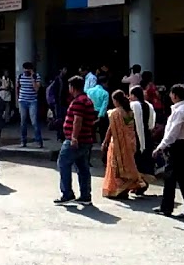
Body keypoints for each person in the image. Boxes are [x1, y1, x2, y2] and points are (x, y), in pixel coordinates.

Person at [152, 84, 184, 218]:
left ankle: (168, 207)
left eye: (171, 94)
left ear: (175, 95)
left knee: (171, 178)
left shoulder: (180, 111)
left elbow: (173, 133)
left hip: (177, 147)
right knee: (183, 179)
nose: (169, 96)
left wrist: (160, 146)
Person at [55, 76, 96, 205]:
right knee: (83, 167)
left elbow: (77, 120)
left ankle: (67, 193)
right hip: (86, 139)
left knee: (63, 163)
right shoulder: (87, 100)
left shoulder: (78, 101)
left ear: (72, 87)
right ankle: (85, 195)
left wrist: (74, 137)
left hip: (76, 139)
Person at [101, 90, 145, 200]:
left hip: (117, 143)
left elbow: (111, 129)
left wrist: (105, 141)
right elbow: (130, 128)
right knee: (127, 165)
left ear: (116, 100)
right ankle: (125, 189)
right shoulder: (129, 112)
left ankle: (116, 190)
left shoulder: (115, 113)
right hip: (129, 142)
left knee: (115, 167)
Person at [128, 85, 156, 191]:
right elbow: (151, 124)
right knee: (145, 160)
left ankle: (138, 184)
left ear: (134, 95)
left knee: (136, 161)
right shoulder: (149, 105)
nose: (129, 97)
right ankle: (142, 183)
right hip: (147, 135)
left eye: (130, 95)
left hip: (136, 136)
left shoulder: (133, 105)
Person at [17, 61, 43, 147]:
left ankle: (38, 140)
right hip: (22, 100)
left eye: (28, 70)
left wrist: (32, 77)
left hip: (32, 101)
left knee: (34, 121)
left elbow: (36, 89)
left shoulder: (37, 76)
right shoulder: (20, 76)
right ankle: (23, 141)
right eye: (25, 69)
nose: (26, 71)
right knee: (23, 121)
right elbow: (18, 87)